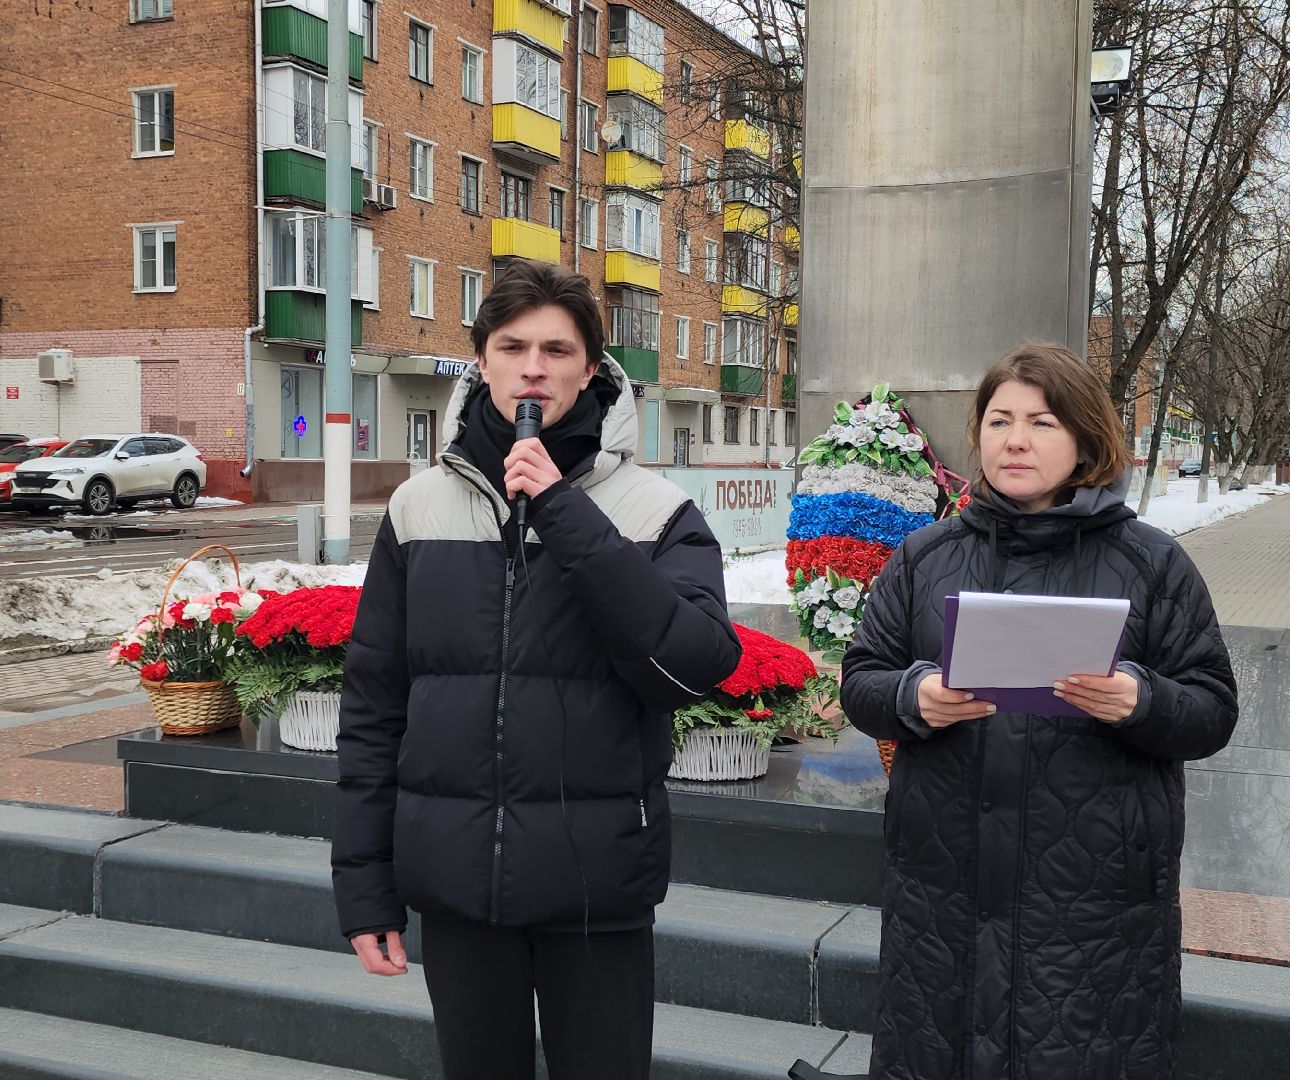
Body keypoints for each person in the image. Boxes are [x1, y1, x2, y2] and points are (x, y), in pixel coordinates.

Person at [331, 259, 741, 1080]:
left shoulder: (657, 512)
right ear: (481, 360)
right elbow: (375, 706)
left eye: (558, 349)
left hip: (597, 884)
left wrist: (564, 512)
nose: (533, 368)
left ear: (593, 370)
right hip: (457, 884)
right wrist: (366, 886)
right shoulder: (418, 509)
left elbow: (693, 666)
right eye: (512, 346)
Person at [840, 343, 1239, 1080]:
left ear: (1086, 438)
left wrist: (1140, 699)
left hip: (1093, 914)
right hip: (943, 903)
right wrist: (913, 696)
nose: (1015, 439)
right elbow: (862, 678)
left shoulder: (1154, 564)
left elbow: (1212, 709)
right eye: (999, 420)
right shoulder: (926, 557)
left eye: (1042, 422)